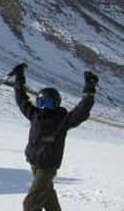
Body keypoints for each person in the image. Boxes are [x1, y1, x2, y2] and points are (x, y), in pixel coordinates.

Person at [10, 63, 98, 211]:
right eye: (41, 102)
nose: (43, 106)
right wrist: (19, 77)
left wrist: (89, 90)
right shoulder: (35, 115)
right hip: (34, 164)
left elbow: (81, 111)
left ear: (56, 103)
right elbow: (22, 100)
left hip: (47, 167)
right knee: (48, 198)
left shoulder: (62, 120)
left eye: (48, 103)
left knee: (30, 204)